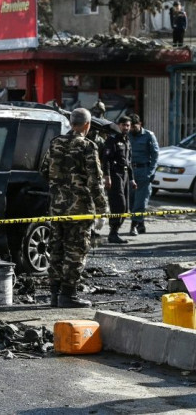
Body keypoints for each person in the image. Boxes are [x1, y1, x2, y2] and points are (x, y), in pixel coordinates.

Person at [40, 108, 109, 308]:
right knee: (76, 251)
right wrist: (103, 209)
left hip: (57, 207)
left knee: (56, 249)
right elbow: (95, 181)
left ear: (72, 123)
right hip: (79, 210)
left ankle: (54, 293)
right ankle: (68, 295)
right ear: (87, 125)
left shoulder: (56, 143)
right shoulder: (87, 146)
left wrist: (59, 186)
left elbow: (44, 171)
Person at [103, 116, 136, 244]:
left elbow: (129, 161)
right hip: (115, 174)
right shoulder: (112, 140)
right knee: (119, 204)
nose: (126, 128)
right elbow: (106, 160)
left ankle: (115, 232)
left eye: (128, 125)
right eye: (123, 125)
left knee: (126, 207)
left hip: (125, 174)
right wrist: (107, 176)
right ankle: (113, 232)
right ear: (118, 125)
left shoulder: (127, 140)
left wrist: (132, 179)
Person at [128, 114, 159, 236]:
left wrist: (150, 172)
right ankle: (140, 224)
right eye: (130, 127)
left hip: (143, 170)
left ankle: (134, 225)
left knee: (140, 200)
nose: (131, 129)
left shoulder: (148, 135)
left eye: (134, 127)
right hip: (130, 171)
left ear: (140, 124)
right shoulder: (126, 135)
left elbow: (155, 155)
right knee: (131, 201)